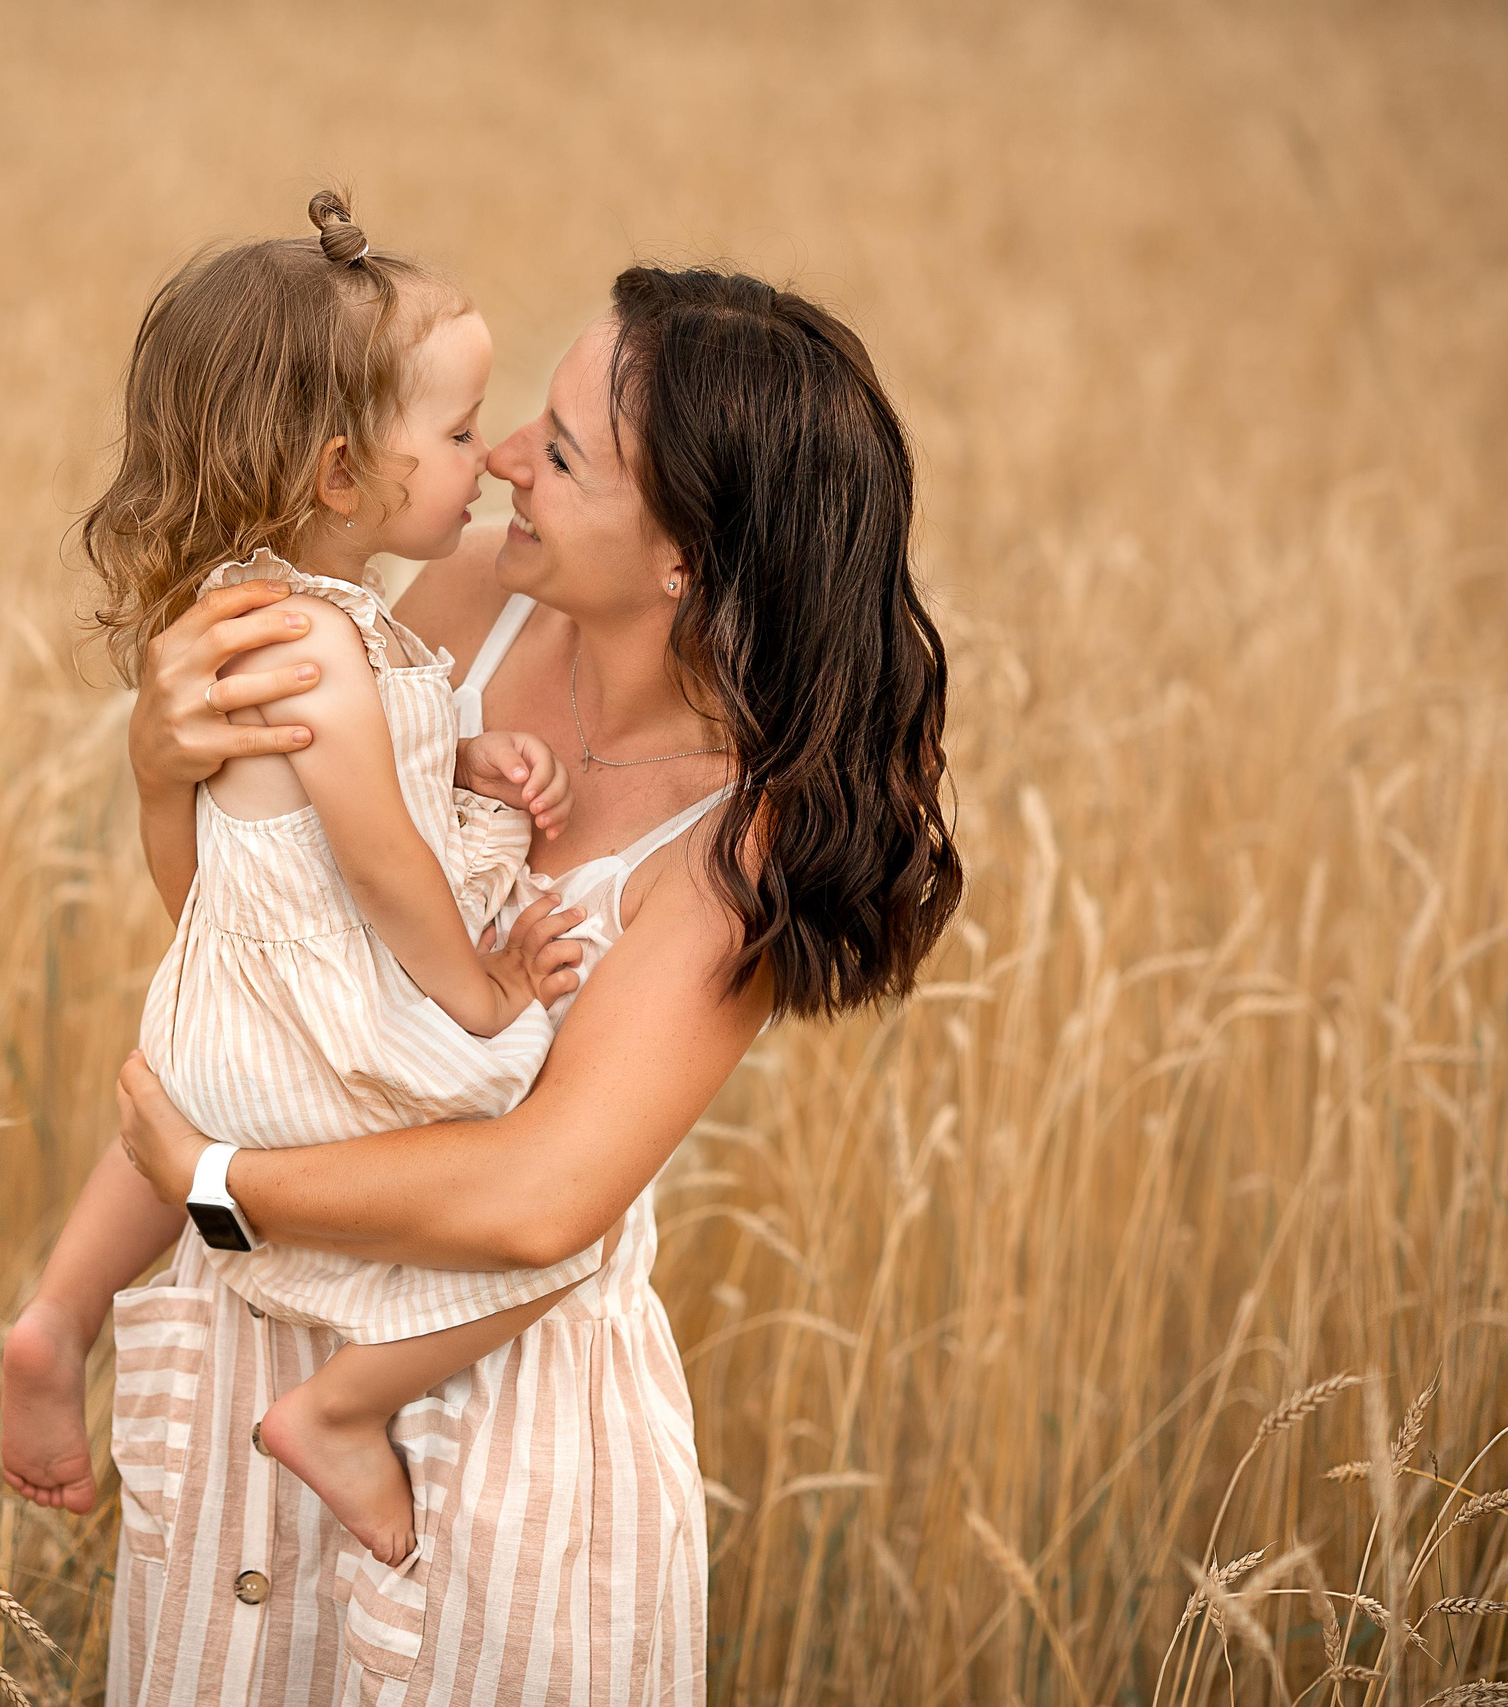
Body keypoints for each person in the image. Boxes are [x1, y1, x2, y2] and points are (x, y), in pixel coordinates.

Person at [80, 263, 958, 1701]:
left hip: (502, 1444)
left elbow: (543, 1199)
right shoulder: (473, 602)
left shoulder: (748, 837)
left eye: (556, 451)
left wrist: (220, 1181)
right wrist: (159, 777)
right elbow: (273, 957)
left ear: (683, 553)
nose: (498, 462)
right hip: (269, 1370)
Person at [1, 191, 613, 1570]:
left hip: (215, 1018)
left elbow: (328, 795)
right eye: (457, 437)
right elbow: (383, 864)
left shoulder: (279, 618)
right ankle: (343, 1409)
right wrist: (484, 989)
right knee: (559, 1201)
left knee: (209, 1098)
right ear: (342, 475)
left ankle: (56, 1316)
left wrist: (464, 756)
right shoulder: (322, 651)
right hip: (301, 1021)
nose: (486, 461)